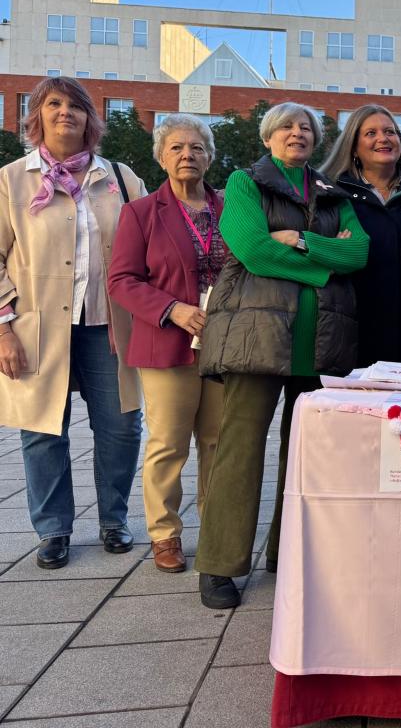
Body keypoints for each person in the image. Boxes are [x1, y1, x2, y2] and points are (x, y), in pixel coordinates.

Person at [195, 102, 369, 609]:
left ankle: (285, 552)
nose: (298, 133)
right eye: (287, 127)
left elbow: (358, 252)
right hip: (257, 335)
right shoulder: (246, 184)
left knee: (307, 456)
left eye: (306, 128)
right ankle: (219, 565)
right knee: (240, 449)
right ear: (268, 137)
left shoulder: (334, 192)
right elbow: (251, 249)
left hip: (322, 340)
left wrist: (300, 241)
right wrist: (322, 261)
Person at [0, 75, 146, 570]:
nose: (66, 113)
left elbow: (145, 250)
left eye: (76, 106)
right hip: (37, 328)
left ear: (90, 119)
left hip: (109, 326)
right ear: (36, 116)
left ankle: (114, 519)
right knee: (42, 430)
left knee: (122, 427)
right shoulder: (12, 179)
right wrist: (2, 329)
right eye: (53, 104)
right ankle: (54, 529)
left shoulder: (120, 178)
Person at [108, 114, 227, 573]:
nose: (187, 155)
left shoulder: (229, 209)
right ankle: (165, 533)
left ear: (209, 157)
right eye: (176, 147)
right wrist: (173, 309)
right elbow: (122, 279)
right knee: (168, 443)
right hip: (167, 342)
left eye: (196, 147)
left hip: (222, 344)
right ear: (161, 157)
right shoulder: (139, 212)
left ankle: (216, 527)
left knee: (218, 441)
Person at [320, 105, 401, 365]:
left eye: (390, 132)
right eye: (371, 133)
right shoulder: (330, 193)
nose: (383, 138)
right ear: (353, 146)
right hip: (351, 321)